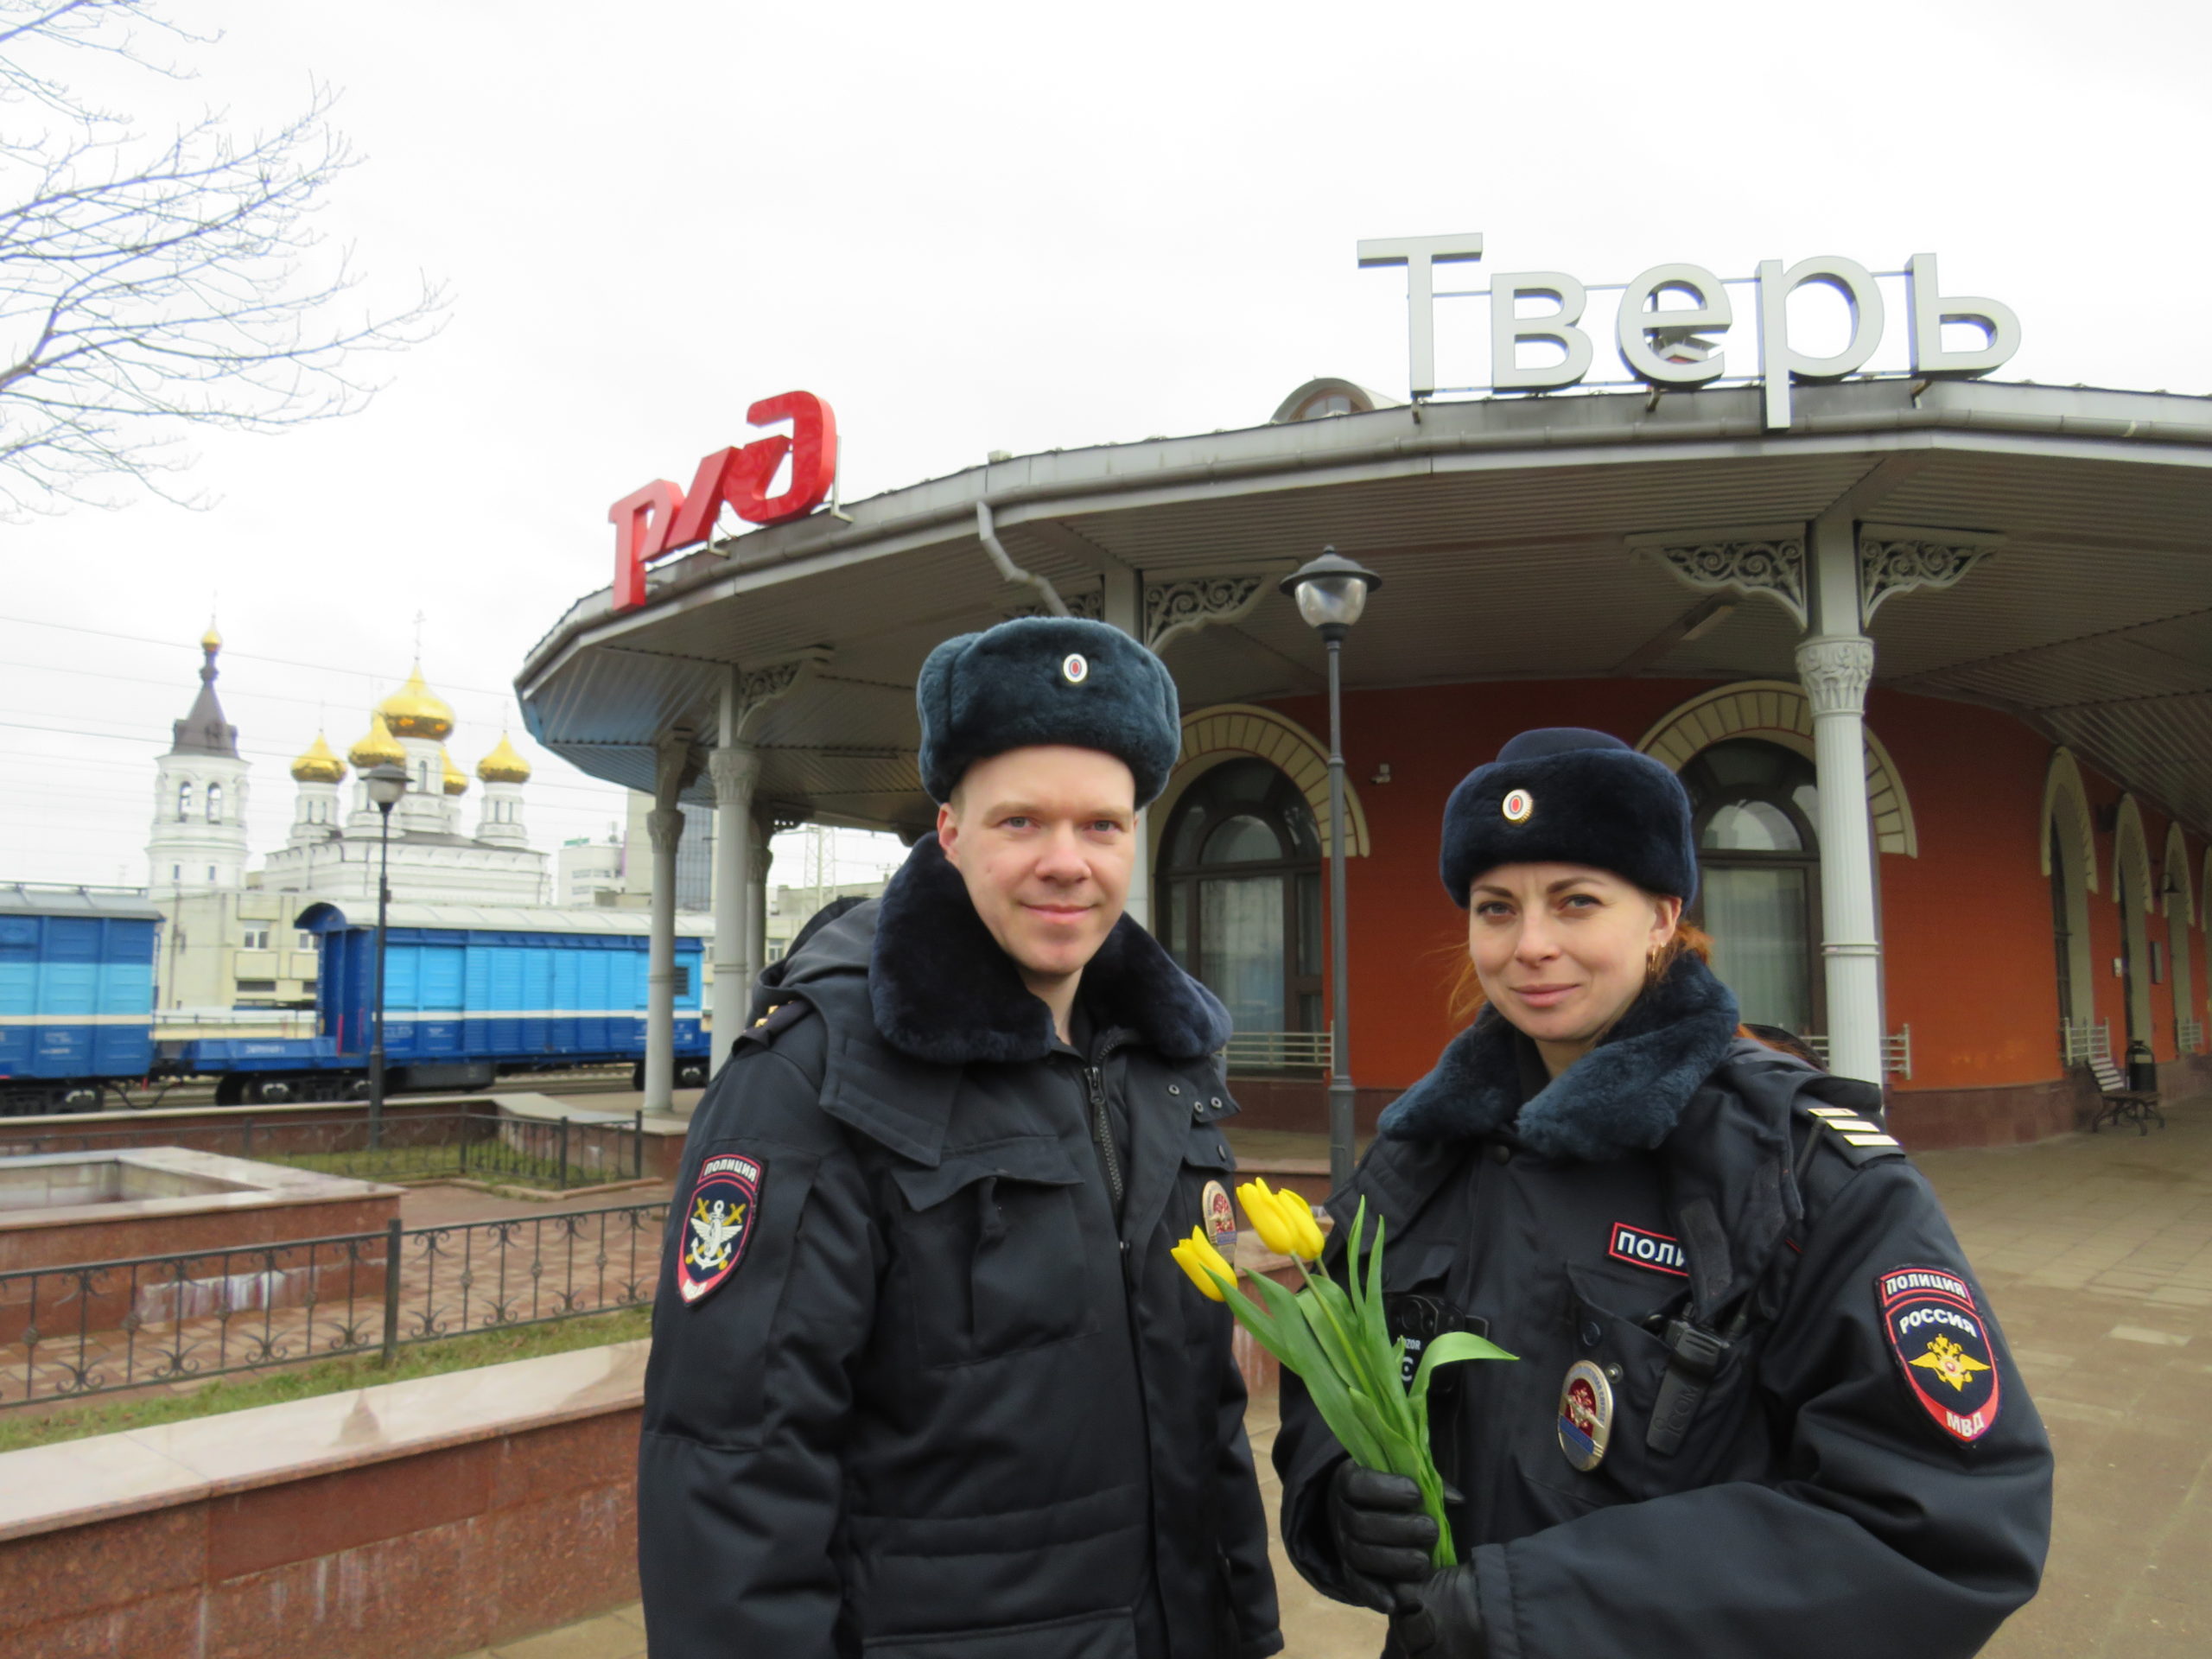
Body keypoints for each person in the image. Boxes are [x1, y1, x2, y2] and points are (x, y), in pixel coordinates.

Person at [1273, 727, 2052, 1658]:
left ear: (1660, 917)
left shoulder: (1798, 1173)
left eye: (1575, 903)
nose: (1530, 946)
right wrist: (1339, 1504)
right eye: (1495, 908)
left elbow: (1945, 1525)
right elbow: (1332, 1370)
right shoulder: (1423, 1150)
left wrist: (1534, 1611)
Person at [639, 616, 1283, 1659]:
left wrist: (1246, 1632)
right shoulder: (818, 1073)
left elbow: (1204, 1420)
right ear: (948, 832)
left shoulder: (1169, 1069)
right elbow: (734, 1462)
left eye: (1102, 826)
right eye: (1020, 823)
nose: (1066, 864)